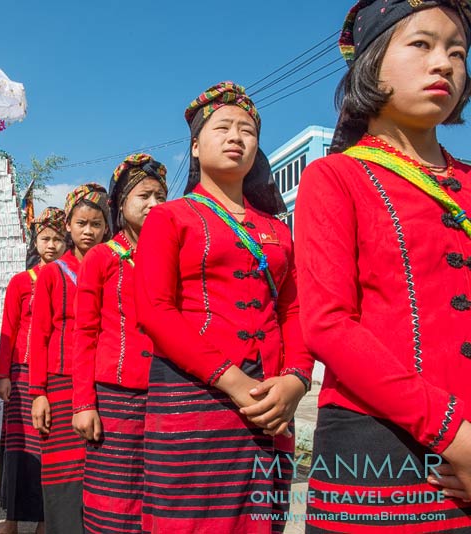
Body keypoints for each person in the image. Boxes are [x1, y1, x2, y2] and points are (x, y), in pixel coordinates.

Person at [294, 1, 471, 531]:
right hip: (378, 448)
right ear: (370, 64)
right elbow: (327, 324)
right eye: (421, 44)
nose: (443, 63)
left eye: (457, 52)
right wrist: (454, 434)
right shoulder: (335, 177)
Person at [134, 82, 313, 533]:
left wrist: (295, 380)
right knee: (191, 522)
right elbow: (155, 310)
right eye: (223, 128)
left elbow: (294, 312)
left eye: (248, 130)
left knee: (263, 520)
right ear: (195, 147)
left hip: (271, 402)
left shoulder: (278, 229)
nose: (236, 137)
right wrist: (232, 381)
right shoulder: (169, 217)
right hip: (193, 396)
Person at [72, 154, 167, 534]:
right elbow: (84, 333)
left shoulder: (175, 251)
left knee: (163, 491)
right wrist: (83, 403)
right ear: (121, 202)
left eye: (161, 195)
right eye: (144, 195)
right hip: (114, 394)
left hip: (169, 391)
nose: (154, 204)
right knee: (115, 497)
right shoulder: (101, 258)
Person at [29, 184, 110, 534]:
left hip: (103, 380)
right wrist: (38, 393)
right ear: (69, 227)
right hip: (60, 381)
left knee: (101, 469)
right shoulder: (52, 273)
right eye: (81, 223)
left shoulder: (115, 264)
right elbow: (39, 334)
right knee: (63, 471)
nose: (88, 231)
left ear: (107, 226)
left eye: (96, 224)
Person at [0, 207, 67, 534]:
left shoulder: (71, 279)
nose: (51, 245)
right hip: (22, 373)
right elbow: (8, 328)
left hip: (56, 372)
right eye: (45, 238)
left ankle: (44, 523)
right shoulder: (20, 282)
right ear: (35, 241)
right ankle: (10, 522)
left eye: (57, 239)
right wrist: (4, 375)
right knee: (19, 449)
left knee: (50, 447)